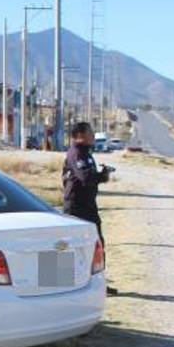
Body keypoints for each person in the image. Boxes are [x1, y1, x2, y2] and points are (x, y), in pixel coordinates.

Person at [63, 121, 116, 296]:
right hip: (77, 208)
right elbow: (85, 177)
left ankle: (98, 284)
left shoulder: (85, 153)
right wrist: (100, 176)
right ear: (80, 135)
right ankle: (65, 284)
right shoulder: (76, 153)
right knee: (75, 247)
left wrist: (103, 175)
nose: (93, 135)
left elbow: (89, 177)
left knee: (96, 245)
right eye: (90, 132)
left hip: (88, 206)